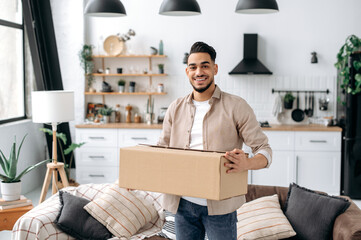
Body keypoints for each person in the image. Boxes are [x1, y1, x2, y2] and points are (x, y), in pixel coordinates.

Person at [158, 41, 272, 240]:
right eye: (193, 67)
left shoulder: (236, 106)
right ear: (187, 71)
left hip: (221, 207)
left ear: (215, 69)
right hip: (182, 205)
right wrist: (139, 176)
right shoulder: (175, 108)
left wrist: (248, 163)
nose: (198, 72)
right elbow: (160, 151)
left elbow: (264, 149)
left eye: (205, 65)